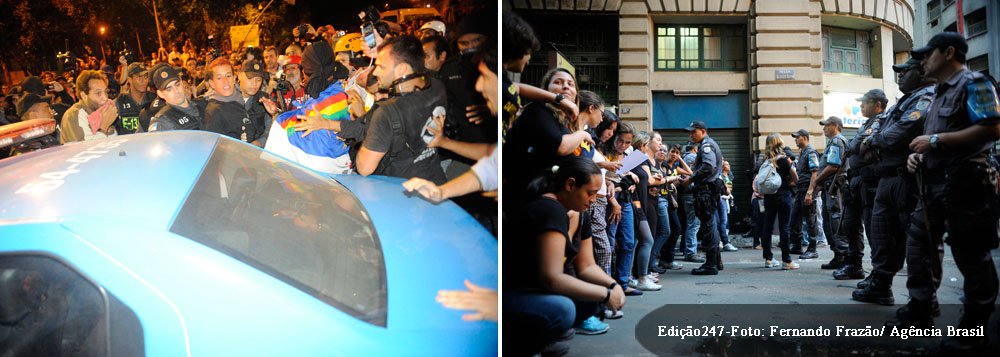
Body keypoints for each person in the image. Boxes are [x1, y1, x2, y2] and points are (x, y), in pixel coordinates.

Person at [901, 32, 1000, 353]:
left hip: (966, 182)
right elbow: (932, 139)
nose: (922, 61)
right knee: (920, 249)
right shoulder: (938, 92)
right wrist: (920, 155)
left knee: (972, 256)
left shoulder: (974, 83)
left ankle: (973, 330)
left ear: (948, 52)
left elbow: (992, 127)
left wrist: (935, 143)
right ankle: (920, 310)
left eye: (927, 54)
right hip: (932, 184)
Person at [504, 156, 626, 354]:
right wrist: (605, 295)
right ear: (570, 185)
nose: (593, 200)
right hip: (512, 292)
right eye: (590, 193)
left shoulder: (581, 213)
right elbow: (551, 278)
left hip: (534, 289)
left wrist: (613, 285)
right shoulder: (550, 209)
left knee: (590, 299)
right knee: (563, 309)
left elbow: (587, 266)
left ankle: (538, 339)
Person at [852, 57, 936, 305]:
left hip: (905, 177)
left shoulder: (925, 97)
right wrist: (875, 140)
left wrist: (875, 142)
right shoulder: (905, 100)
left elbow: (901, 130)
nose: (900, 75)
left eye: (905, 71)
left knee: (912, 241)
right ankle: (881, 283)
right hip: (887, 177)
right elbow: (876, 136)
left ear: (920, 73)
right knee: (881, 234)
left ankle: (920, 301)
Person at [356, 35, 448, 184]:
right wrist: (391, 46)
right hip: (436, 185)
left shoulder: (385, 113)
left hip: (403, 194)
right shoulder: (438, 86)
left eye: (381, 66)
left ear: (403, 69)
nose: (375, 72)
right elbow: (417, 65)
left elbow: (364, 168)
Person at [503, 68, 592, 209]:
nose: (565, 86)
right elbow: (561, 147)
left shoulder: (564, 122)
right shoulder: (538, 110)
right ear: (546, 90)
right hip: (530, 199)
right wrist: (583, 134)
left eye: (571, 84)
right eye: (558, 82)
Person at [834, 89, 886, 278]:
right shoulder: (867, 124)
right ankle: (854, 265)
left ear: (878, 104)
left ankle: (877, 272)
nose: (861, 106)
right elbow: (852, 146)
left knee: (873, 228)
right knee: (851, 224)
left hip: (869, 181)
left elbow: (854, 146)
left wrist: (857, 144)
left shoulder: (881, 121)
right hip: (855, 180)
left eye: (865, 102)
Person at [680, 120, 725, 275]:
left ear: (703, 131)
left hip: (706, 192)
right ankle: (715, 262)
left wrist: (691, 179)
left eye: (694, 132)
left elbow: (708, 166)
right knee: (710, 225)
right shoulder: (707, 145)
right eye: (690, 132)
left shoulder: (706, 146)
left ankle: (711, 265)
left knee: (708, 227)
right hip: (708, 191)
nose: (691, 135)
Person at [808, 116, 849, 270]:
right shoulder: (833, 142)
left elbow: (833, 166)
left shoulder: (837, 141)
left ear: (835, 126)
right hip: (829, 189)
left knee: (835, 221)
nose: (824, 128)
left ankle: (844, 256)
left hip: (835, 189)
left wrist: (817, 180)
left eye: (826, 126)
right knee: (829, 221)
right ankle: (838, 256)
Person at [755, 133, 800, 270]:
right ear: (779, 143)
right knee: (784, 228)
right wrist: (790, 181)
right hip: (783, 196)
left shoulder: (766, 160)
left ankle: (768, 259)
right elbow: (796, 178)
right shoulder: (783, 160)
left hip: (769, 197)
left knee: (767, 227)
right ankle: (787, 261)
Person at [203, 57, 261, 144]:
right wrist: (239, 143)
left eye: (228, 76)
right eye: (219, 78)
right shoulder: (215, 111)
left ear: (234, 78)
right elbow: (216, 147)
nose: (225, 81)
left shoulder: (241, 97)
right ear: (212, 83)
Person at [789, 129, 822, 259]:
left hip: (807, 189)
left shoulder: (811, 152)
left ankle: (812, 249)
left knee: (810, 219)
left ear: (804, 138)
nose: (795, 140)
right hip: (800, 189)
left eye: (797, 138)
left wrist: (810, 192)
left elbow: (815, 172)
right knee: (795, 217)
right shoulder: (802, 152)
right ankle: (797, 245)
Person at [59, 70, 115, 143]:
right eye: (98, 93)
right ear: (84, 95)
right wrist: (104, 127)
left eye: (105, 92)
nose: (105, 98)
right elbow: (83, 150)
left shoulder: (101, 111)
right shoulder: (73, 115)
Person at [147, 64, 205, 132]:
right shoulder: (162, 121)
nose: (176, 91)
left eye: (177, 85)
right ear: (160, 94)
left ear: (181, 82)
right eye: (169, 89)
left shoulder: (201, 105)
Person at [113, 63, 155, 135]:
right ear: (130, 80)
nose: (144, 80)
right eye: (139, 77)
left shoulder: (155, 100)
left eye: (145, 77)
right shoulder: (119, 102)